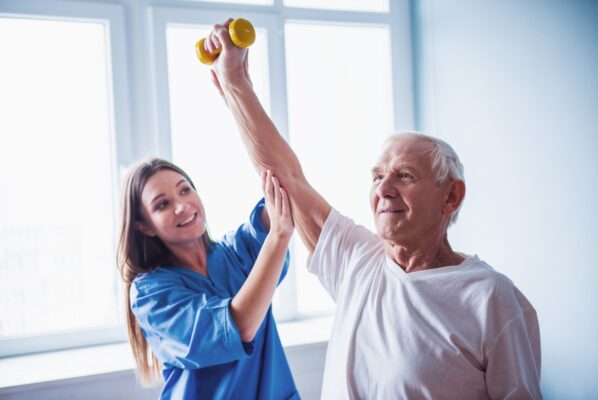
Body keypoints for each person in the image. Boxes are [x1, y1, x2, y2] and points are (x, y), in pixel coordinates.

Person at [204, 19, 542, 399]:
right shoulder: (357, 260)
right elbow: (286, 178)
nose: (383, 188)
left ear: (451, 197)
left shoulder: (492, 298)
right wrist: (235, 82)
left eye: (405, 176)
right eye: (377, 175)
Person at [116, 158, 299, 399]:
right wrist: (279, 235)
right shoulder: (150, 295)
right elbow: (240, 327)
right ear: (145, 227)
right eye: (162, 205)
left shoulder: (237, 250)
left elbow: (285, 190)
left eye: (185, 190)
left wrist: (279, 180)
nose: (181, 206)